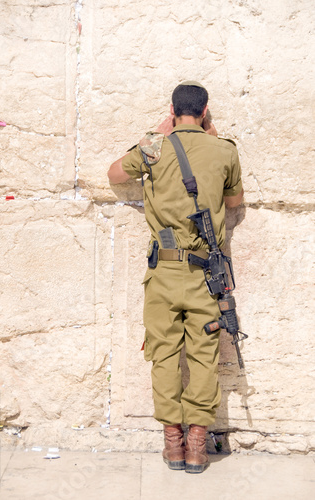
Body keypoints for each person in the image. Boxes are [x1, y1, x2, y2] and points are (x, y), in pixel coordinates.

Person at [108, 81, 244, 473]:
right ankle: (198, 446)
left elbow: (116, 174)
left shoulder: (155, 146)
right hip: (207, 274)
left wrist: (157, 135)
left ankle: (173, 444)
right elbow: (233, 201)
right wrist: (213, 140)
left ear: (172, 110)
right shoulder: (224, 150)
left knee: (163, 354)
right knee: (204, 356)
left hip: (164, 272)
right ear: (205, 111)